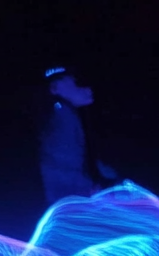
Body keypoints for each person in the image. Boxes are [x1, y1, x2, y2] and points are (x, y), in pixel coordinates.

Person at [39, 67, 122, 203]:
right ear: (55, 88)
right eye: (75, 83)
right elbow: (61, 166)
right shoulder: (62, 117)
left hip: (70, 199)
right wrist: (90, 190)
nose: (88, 89)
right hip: (70, 201)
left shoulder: (66, 114)